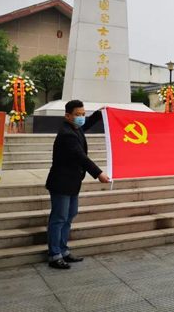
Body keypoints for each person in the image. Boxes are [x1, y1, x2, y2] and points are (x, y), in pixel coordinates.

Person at [45, 100, 110, 269]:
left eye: (83, 114)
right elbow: (81, 157)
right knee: (59, 219)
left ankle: (63, 250)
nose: (81, 117)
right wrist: (99, 174)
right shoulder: (67, 134)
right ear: (68, 116)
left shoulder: (75, 127)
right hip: (61, 183)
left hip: (73, 182)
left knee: (69, 217)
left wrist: (98, 114)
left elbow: (85, 125)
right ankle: (54, 255)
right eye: (77, 115)